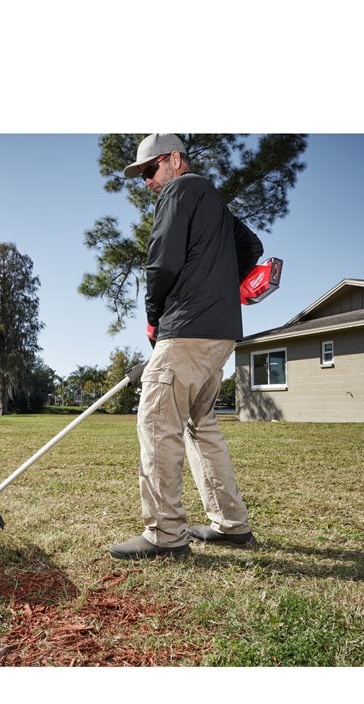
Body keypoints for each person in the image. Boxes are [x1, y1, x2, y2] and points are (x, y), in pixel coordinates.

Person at [109, 134, 262, 560]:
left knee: (157, 424)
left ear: (175, 160)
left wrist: (155, 316)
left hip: (187, 328)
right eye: (141, 176)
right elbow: (252, 247)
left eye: (150, 170)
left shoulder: (179, 190)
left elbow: (162, 260)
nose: (147, 182)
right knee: (201, 425)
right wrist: (216, 285)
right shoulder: (213, 199)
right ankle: (231, 525)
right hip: (221, 332)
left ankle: (164, 535)